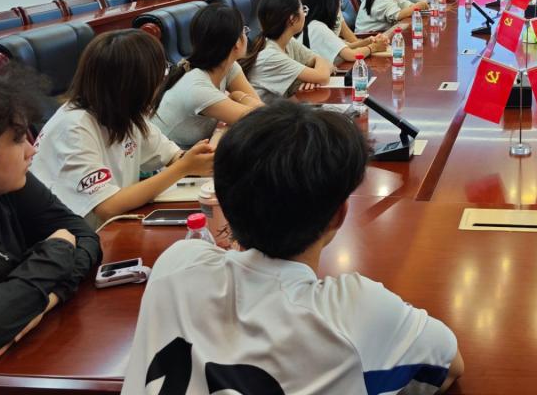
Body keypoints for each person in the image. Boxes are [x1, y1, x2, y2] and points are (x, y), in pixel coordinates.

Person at [121, 101, 464, 395]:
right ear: (339, 215)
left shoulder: (176, 264)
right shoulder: (356, 311)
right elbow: (449, 367)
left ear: (221, 201)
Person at [31, 31, 215, 226]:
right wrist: (183, 168)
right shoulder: (74, 127)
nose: (160, 84)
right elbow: (107, 207)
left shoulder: (124, 112)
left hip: (109, 227)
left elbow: (172, 156)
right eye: (160, 74)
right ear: (134, 85)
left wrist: (196, 160)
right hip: (71, 236)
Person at [0, 64, 101, 362]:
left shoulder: (14, 184)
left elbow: (85, 236)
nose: (31, 150)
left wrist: (44, 301)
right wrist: (58, 248)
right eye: (17, 139)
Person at [151, 5, 264, 149]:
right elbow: (263, 120)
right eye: (244, 31)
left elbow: (262, 112)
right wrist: (223, 128)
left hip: (198, 150)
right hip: (169, 158)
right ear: (237, 42)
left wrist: (238, 96)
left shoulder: (229, 66)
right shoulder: (197, 87)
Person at [240, 0, 335, 102]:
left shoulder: (288, 42)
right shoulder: (270, 56)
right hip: (266, 112)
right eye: (303, 10)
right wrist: (318, 74)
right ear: (292, 19)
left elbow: (323, 63)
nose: (305, 14)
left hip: (283, 108)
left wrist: (315, 76)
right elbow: (323, 76)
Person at [301, 0, 387, 63]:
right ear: (329, 6)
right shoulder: (318, 28)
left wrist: (367, 41)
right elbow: (352, 55)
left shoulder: (312, 24)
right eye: (339, 1)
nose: (340, 4)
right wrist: (374, 47)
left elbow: (343, 47)